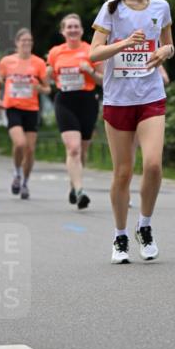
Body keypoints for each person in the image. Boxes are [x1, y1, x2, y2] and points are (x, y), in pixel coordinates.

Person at [90, 0, 174, 263]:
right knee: (123, 172)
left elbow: (169, 45)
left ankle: (145, 225)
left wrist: (165, 52)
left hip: (151, 95)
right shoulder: (111, 9)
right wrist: (124, 43)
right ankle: (120, 236)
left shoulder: (161, 6)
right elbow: (93, 53)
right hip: (118, 99)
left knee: (152, 164)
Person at [46, 13, 101, 210]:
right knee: (73, 148)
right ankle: (80, 191)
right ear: (62, 31)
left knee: (83, 150)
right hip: (65, 101)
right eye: (68, 27)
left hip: (87, 101)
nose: (72, 30)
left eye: (76, 26)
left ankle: (73, 184)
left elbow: (103, 80)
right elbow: (48, 78)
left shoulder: (91, 50)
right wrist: (48, 76)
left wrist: (90, 71)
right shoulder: (55, 53)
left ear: (82, 30)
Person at [0, 28, 49, 199]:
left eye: (29, 41)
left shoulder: (39, 63)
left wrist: (39, 88)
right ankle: (17, 173)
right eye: (23, 41)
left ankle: (25, 182)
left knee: (30, 150)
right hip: (13, 108)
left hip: (31, 109)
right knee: (20, 144)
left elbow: (48, 89)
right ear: (16, 43)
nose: (26, 43)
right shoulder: (7, 62)